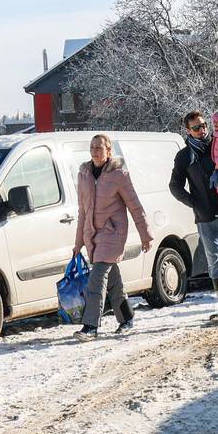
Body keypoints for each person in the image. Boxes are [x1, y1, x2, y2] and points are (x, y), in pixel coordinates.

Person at [73, 134, 154, 340]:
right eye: (92, 147)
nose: (95, 151)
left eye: (99, 147)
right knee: (113, 282)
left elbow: (134, 205)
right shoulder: (83, 174)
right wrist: (78, 243)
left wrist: (145, 235)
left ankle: (91, 326)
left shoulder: (119, 174)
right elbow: (82, 211)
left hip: (113, 233)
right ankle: (127, 319)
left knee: (97, 278)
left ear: (109, 151)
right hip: (93, 234)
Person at [170, 109, 218, 323]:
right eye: (196, 127)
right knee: (213, 261)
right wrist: (194, 203)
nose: (202, 130)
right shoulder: (185, 156)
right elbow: (174, 186)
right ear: (188, 130)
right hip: (205, 215)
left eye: (204, 125)